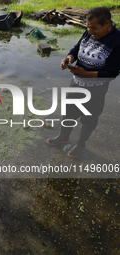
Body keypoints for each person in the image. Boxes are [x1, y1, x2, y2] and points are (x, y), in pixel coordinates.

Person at [47, 7, 120, 157]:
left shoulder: (117, 41)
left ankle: (80, 145)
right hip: (77, 83)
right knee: (68, 113)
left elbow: (112, 73)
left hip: (96, 90)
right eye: (88, 27)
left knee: (89, 119)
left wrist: (87, 74)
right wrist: (69, 58)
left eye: (94, 28)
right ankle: (63, 137)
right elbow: (76, 48)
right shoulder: (89, 31)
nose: (90, 31)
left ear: (107, 23)